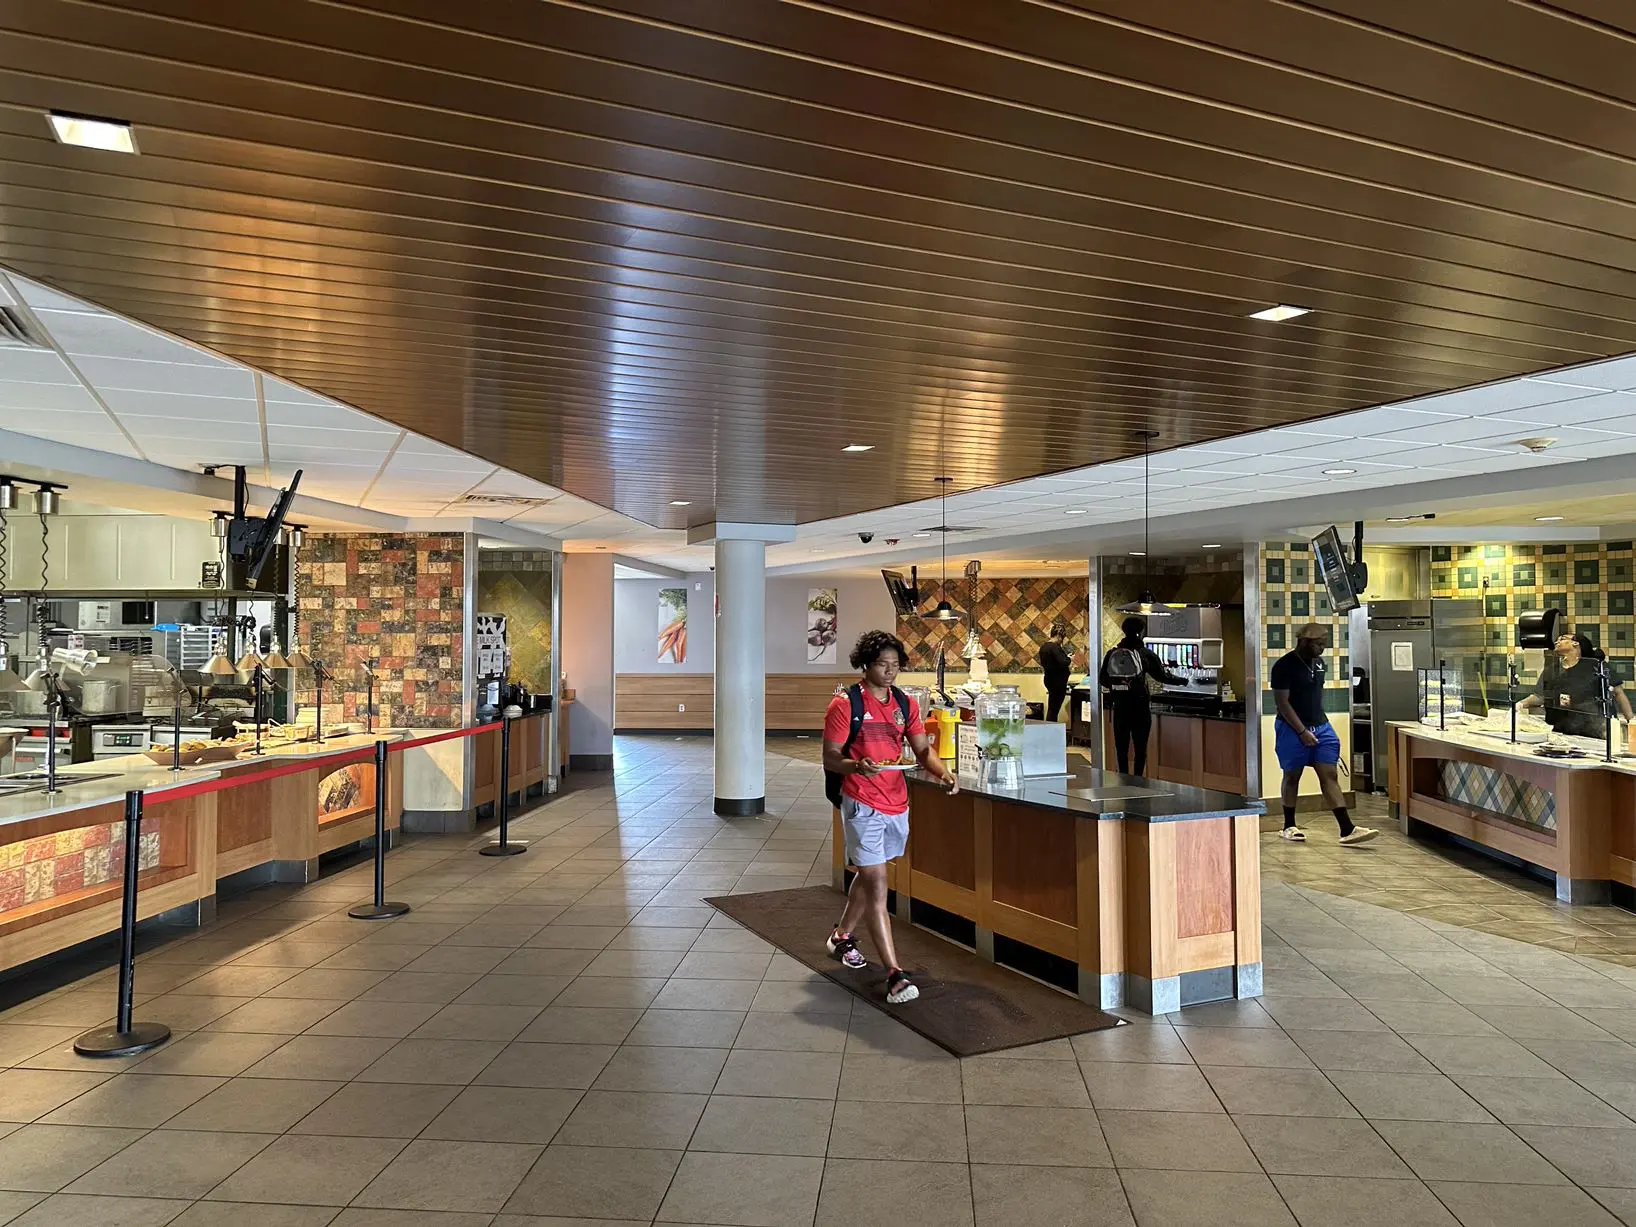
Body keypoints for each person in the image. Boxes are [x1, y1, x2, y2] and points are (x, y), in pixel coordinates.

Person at [822, 629, 958, 1005]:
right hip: (861, 800)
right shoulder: (845, 705)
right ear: (865, 664)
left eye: (895, 665)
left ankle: (840, 937)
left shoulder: (903, 703)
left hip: (897, 801)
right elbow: (830, 757)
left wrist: (942, 772)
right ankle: (895, 974)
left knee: (871, 877)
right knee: (878, 886)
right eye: (883, 664)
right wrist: (856, 765)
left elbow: (920, 749)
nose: (890, 671)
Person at [1272, 622, 1377, 846]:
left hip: (1321, 725)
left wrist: (1317, 727)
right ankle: (1289, 825)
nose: (1322, 648)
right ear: (1304, 642)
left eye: (1324, 644)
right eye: (1319, 644)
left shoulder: (1319, 664)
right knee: (1292, 776)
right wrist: (1301, 731)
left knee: (1329, 775)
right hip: (1291, 728)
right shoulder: (1284, 666)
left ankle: (1347, 829)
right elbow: (1282, 703)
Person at [1099, 616, 1181, 776]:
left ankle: (1122, 778)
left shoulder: (1112, 653)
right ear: (1140, 632)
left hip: (1120, 708)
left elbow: (1103, 679)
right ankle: (1138, 780)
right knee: (1140, 748)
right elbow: (1162, 676)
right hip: (1140, 708)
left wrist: (1120, 686)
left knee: (1121, 749)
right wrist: (1182, 681)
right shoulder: (1144, 654)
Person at [1518, 632, 1633, 738]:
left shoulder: (1596, 667)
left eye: (1562, 639)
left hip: (1593, 732)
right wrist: (1521, 704)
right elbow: (1539, 697)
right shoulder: (1552, 670)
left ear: (1575, 643)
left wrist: (1631, 721)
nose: (1557, 642)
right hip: (1560, 732)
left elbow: (1618, 693)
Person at [1040, 620, 1073, 722]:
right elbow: (1063, 662)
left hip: (1049, 679)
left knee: (1052, 708)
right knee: (1054, 710)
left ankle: (1050, 730)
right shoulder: (1054, 647)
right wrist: (1069, 658)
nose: (1061, 641)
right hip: (1057, 682)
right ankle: (1051, 731)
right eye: (1062, 638)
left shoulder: (1044, 647)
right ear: (1059, 636)